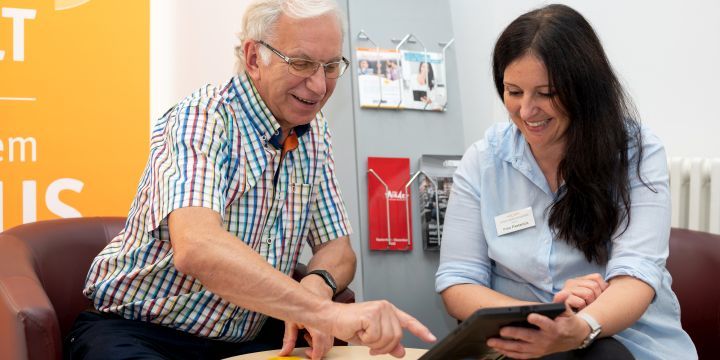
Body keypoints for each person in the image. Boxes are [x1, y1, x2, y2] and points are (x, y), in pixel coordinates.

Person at [66, 1, 435, 359]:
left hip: (245, 337)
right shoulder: (202, 117)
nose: (320, 86)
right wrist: (323, 313)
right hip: (144, 332)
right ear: (255, 58)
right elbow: (197, 246)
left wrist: (316, 287)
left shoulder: (315, 132)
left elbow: (339, 251)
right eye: (302, 63)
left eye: (331, 66)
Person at [435, 4, 696, 359]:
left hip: (625, 338)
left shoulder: (636, 153)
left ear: (583, 89)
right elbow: (458, 281)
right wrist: (543, 318)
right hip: (516, 341)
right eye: (514, 91)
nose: (527, 111)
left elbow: (637, 275)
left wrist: (579, 327)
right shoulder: (483, 161)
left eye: (545, 93)